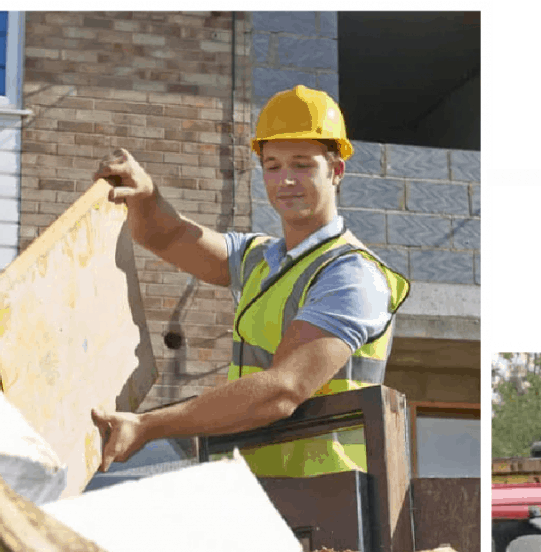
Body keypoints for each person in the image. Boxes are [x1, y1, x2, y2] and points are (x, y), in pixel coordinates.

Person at [91, 85, 410, 477]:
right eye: (272, 165)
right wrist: (145, 194)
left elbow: (282, 391)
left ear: (336, 170)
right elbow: (169, 236)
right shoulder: (261, 259)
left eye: (302, 165)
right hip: (258, 487)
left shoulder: (351, 275)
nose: (285, 180)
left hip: (332, 498)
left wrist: (148, 426)